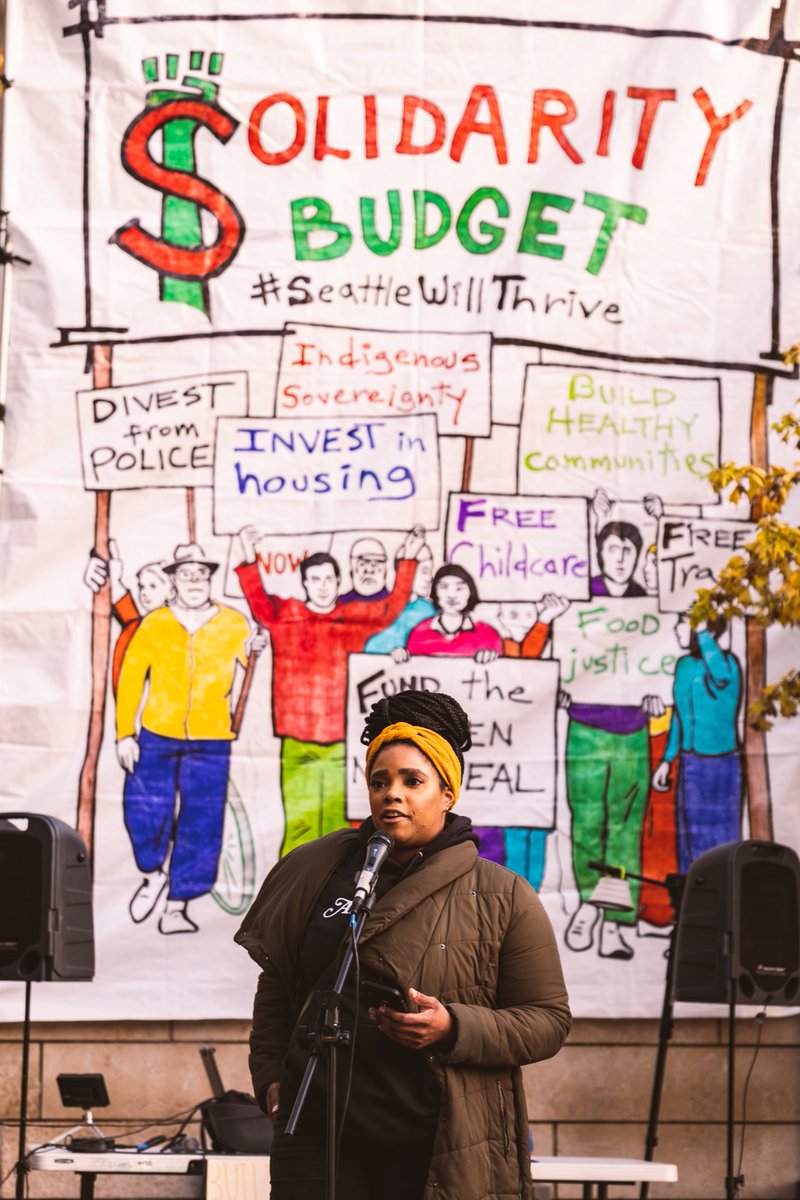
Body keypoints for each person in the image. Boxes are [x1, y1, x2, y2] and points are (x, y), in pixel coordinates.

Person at [235, 690, 571, 1200]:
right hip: (315, 1136)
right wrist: (269, 1078)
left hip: (433, 1138)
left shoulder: (503, 894)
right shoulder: (316, 870)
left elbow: (547, 1020)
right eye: (380, 781)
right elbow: (279, 982)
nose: (392, 793)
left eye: (413, 781)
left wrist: (452, 1026)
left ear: (447, 793)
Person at [235, 525, 427, 856]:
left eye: (329, 579)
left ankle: (336, 893)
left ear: (338, 583)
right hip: (297, 737)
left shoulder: (351, 618)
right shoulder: (286, 615)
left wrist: (407, 560)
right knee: (299, 820)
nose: (322, 586)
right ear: (304, 584)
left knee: (341, 825)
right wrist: (249, 558)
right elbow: (258, 602)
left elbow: (389, 608)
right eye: (315, 579)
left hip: (342, 738)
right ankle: (295, 894)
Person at [116, 542, 265, 934]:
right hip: (156, 734)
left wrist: (256, 649)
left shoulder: (233, 622)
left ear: (209, 579)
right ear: (174, 580)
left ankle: (178, 904)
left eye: (202, 574)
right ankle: (152, 875)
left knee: (202, 820)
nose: (195, 581)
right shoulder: (155, 623)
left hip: (212, 737)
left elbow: (249, 666)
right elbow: (131, 679)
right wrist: (124, 734)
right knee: (144, 810)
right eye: (186, 574)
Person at [652, 615, 742, 871]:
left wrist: (703, 632)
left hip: (721, 764)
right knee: (688, 835)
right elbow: (680, 717)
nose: (676, 629)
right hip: (690, 761)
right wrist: (667, 760)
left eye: (682, 622)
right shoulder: (683, 666)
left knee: (720, 838)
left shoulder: (727, 664)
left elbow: (722, 676)